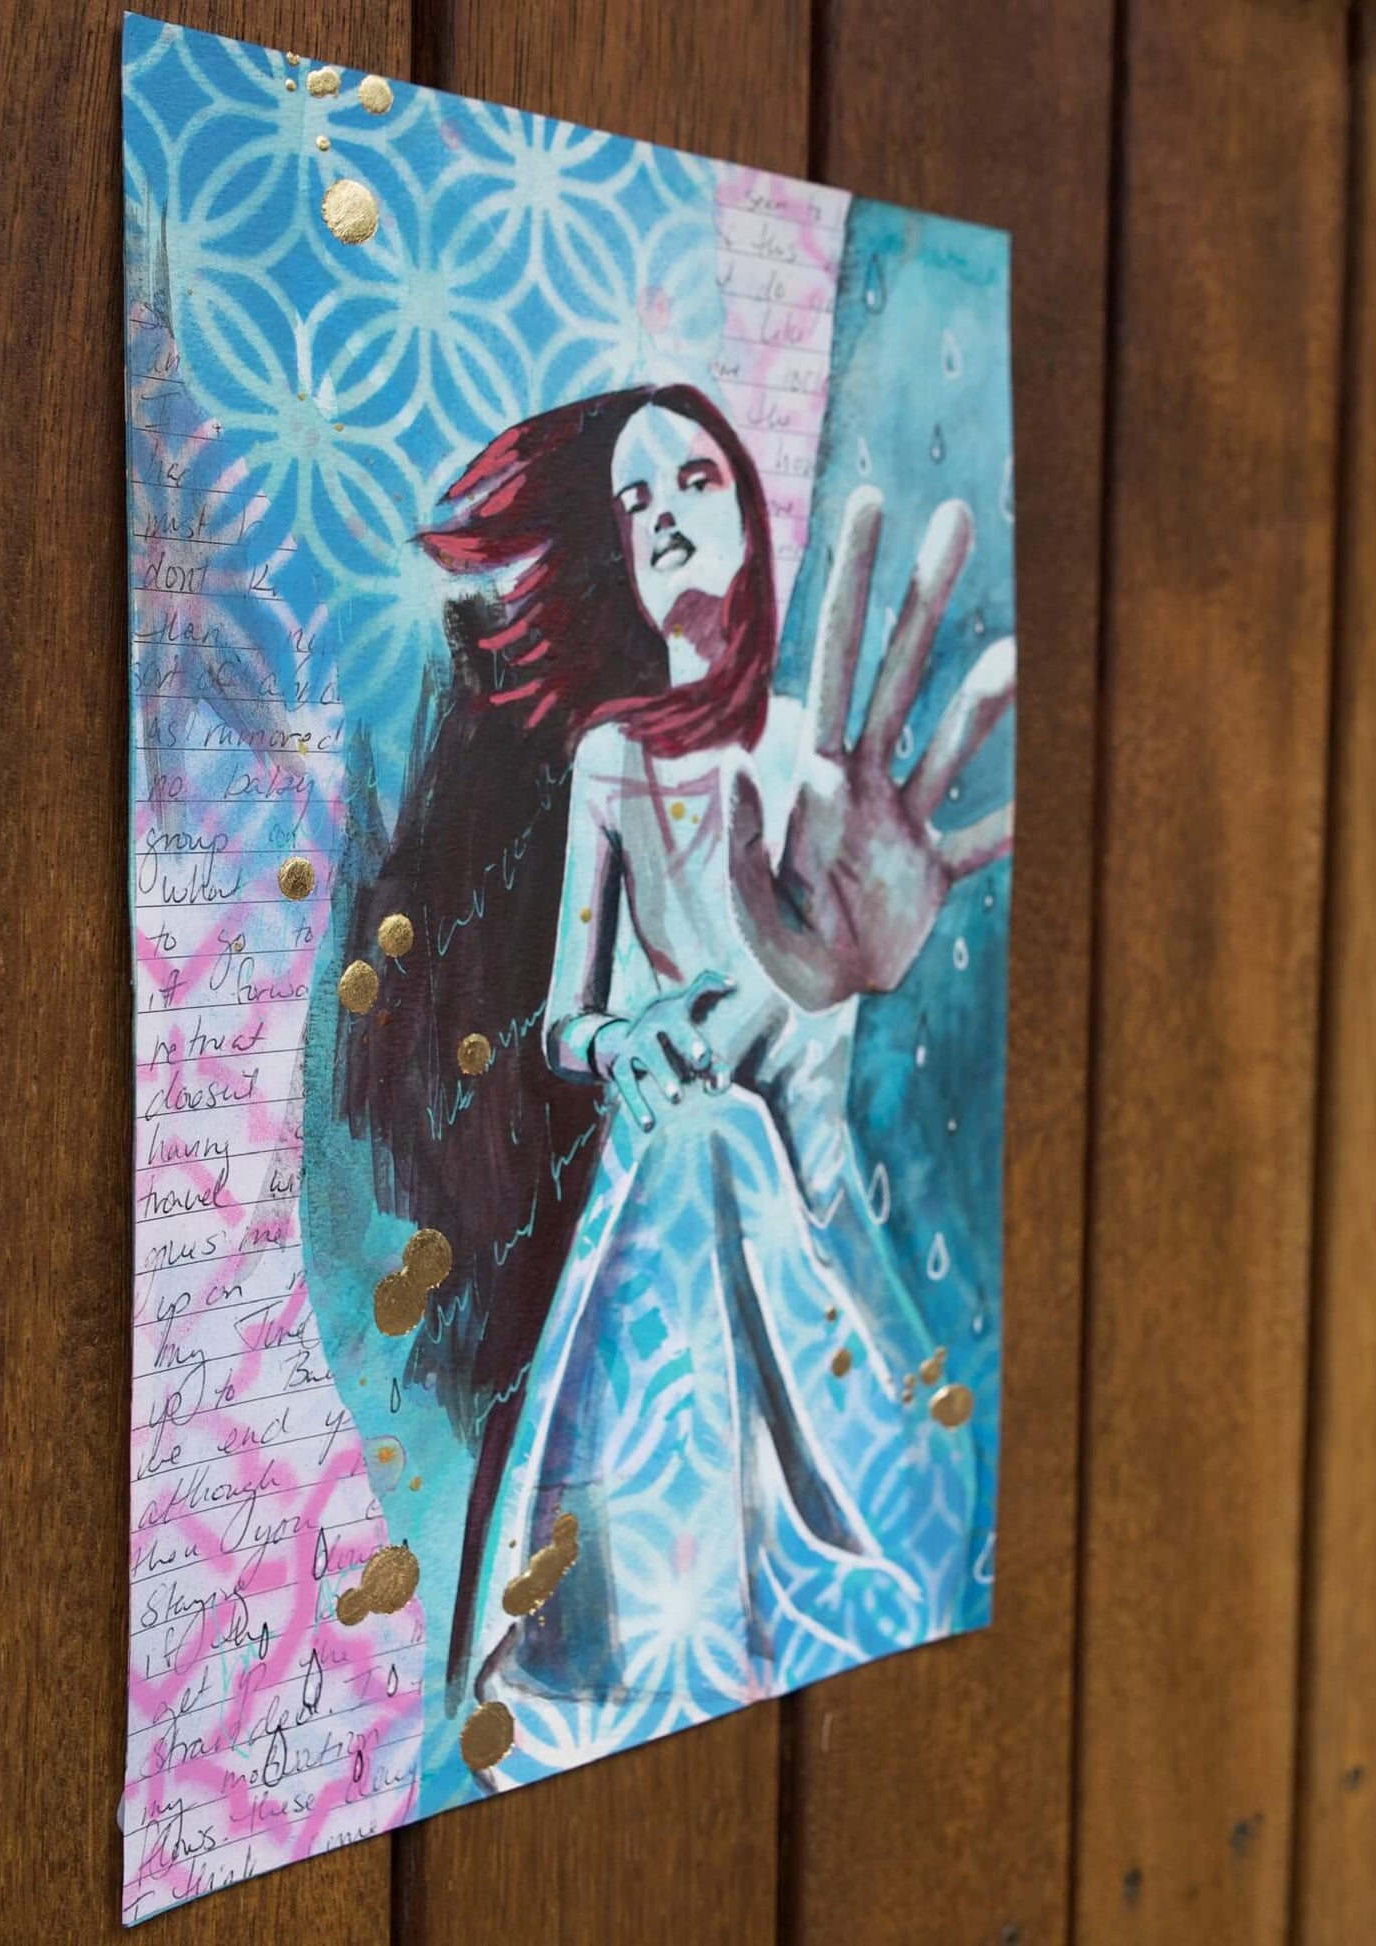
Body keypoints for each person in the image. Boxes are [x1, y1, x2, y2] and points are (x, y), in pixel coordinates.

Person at [338, 384, 1013, 1778]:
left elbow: (824, 992)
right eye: (634, 504)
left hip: (810, 1231)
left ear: (753, 521)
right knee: (702, 1138)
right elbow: (560, 1021)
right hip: (665, 1204)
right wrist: (620, 1045)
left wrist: (856, 965)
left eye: (692, 482)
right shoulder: (614, 759)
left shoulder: (815, 755)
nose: (664, 520)